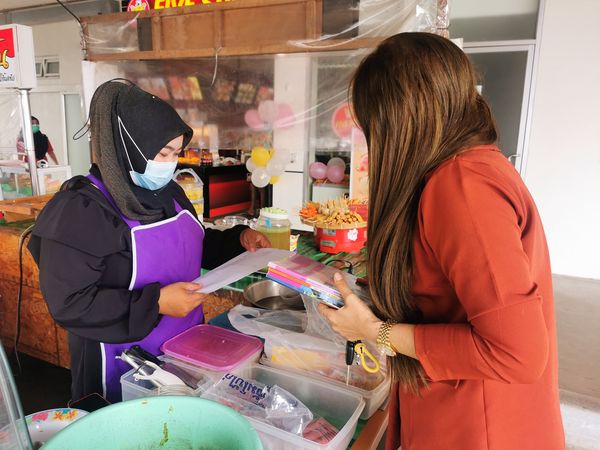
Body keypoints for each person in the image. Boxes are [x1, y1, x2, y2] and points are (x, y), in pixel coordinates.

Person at [318, 33, 565, 450]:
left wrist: (375, 331)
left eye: (372, 128)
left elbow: (517, 352)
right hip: (458, 411)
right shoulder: (469, 169)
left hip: (478, 428)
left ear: (398, 121)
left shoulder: (462, 186)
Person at [27, 80, 271, 403]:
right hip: (120, 363)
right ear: (130, 147)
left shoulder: (170, 193)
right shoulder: (80, 210)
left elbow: (188, 244)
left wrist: (237, 240)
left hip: (183, 352)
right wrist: (155, 303)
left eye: (176, 153)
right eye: (163, 152)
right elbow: (70, 303)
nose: (170, 163)